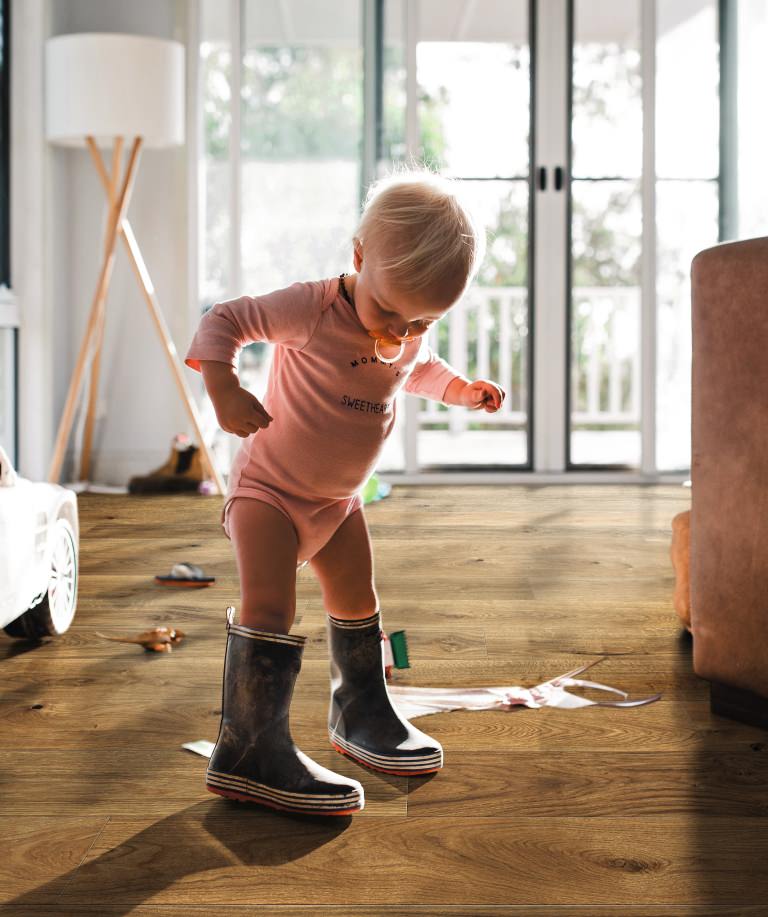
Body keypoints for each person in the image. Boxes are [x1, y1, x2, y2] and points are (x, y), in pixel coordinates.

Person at [184, 165, 506, 816]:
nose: (398, 334)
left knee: (359, 598)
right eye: (388, 312)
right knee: (270, 607)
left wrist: (461, 390)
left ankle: (360, 710)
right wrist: (224, 389)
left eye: (417, 321)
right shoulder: (312, 306)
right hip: (270, 491)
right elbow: (226, 321)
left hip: (336, 502)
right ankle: (249, 748)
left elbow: (419, 369)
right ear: (357, 257)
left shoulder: (406, 328)